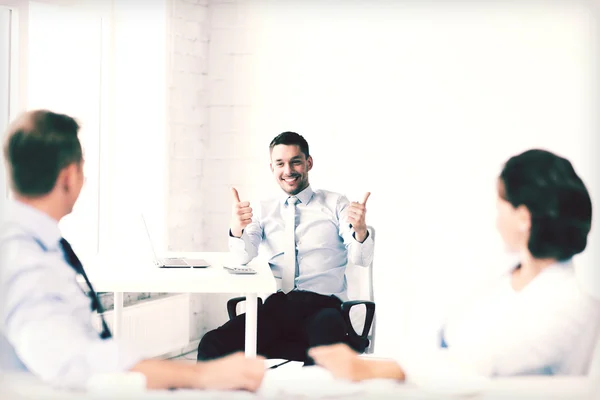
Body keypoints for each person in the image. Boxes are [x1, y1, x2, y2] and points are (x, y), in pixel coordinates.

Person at [0, 110, 266, 391]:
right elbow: (68, 360)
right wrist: (200, 376)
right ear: (69, 176)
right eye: (83, 168)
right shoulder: (24, 258)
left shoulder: (32, 242)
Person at [309, 149, 600, 381]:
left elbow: (479, 364)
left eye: (501, 208)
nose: (496, 220)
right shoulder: (501, 275)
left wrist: (368, 369)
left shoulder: (571, 306)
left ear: (524, 218)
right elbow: (438, 337)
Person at [197, 131, 374, 364]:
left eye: (296, 161)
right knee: (212, 343)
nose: (288, 170)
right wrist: (237, 229)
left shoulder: (335, 204)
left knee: (326, 348)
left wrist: (360, 231)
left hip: (322, 307)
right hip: (276, 309)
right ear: (272, 167)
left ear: (308, 163)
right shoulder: (263, 209)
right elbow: (243, 255)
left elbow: (360, 258)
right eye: (280, 163)